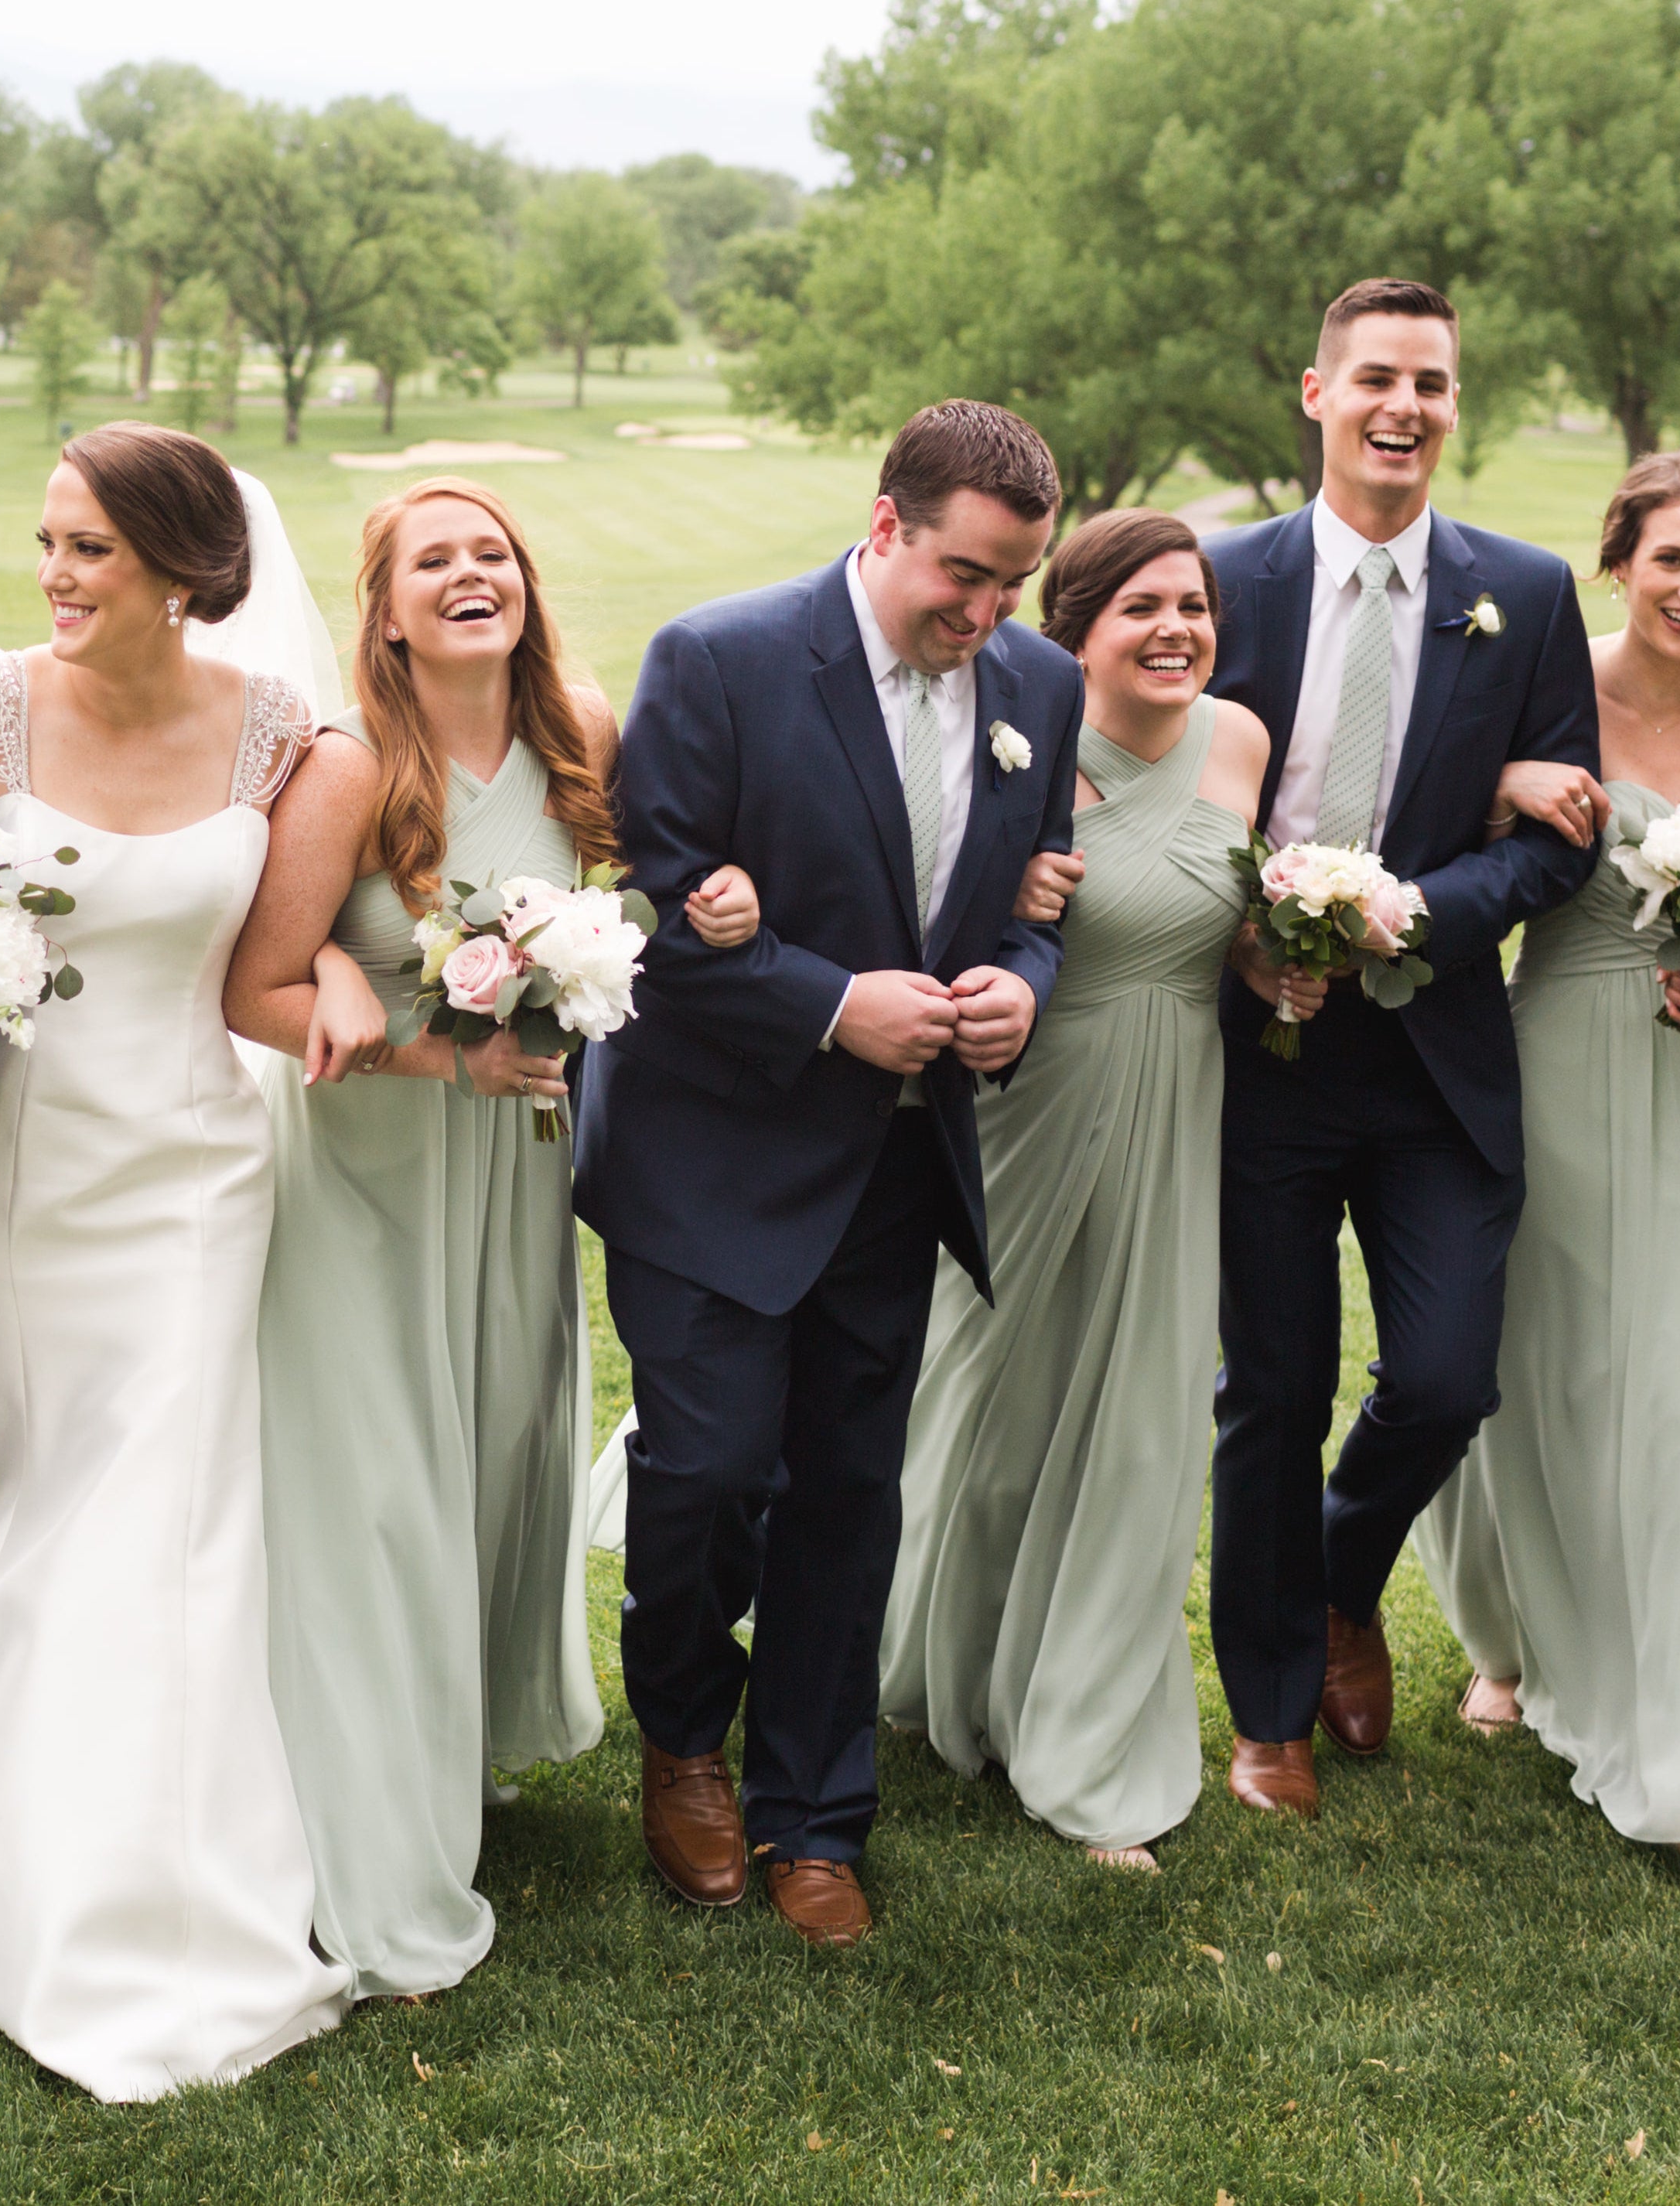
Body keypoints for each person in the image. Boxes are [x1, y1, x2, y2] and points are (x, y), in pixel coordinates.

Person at [0, 424, 352, 2098]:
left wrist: (354, 999)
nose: (54, 577)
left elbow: (275, 967)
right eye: (47, 543)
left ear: (186, 567)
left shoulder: (283, 737)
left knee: (153, 1506)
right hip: (21, 1161)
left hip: (193, 1168)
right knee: (11, 1452)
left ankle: (117, 1890)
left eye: (89, 550)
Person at [575, 398, 1075, 1947]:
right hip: (708, 1152)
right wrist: (827, 1002)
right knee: (710, 1468)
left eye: (1014, 583)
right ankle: (680, 1742)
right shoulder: (717, 660)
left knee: (848, 1496)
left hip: (896, 1163)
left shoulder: (1037, 688)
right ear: (884, 527)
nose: (986, 614)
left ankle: (811, 1814)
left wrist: (1020, 988)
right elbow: (646, 924)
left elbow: (1029, 905)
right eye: (965, 575)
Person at [1199, 278, 1603, 1819]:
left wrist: (1418, 909)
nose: (1403, 407)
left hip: (1435, 1053)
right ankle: (1269, 1713)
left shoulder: (1525, 589)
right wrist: (1247, 924)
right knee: (1272, 1388)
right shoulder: (1217, 578)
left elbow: (1559, 841)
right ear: (1316, 393)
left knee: (1444, 1377)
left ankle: (1340, 1578)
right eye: (1375, 377)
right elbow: (1148, 789)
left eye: (1430, 383)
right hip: (1259, 1055)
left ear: (1452, 403)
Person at [223, 476, 616, 1999]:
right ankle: (364, 1833)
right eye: (432, 560)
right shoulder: (345, 769)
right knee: (376, 1493)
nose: (472, 573)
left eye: (493, 551)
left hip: (516, 1174)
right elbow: (252, 989)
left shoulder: (579, 726)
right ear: (381, 610)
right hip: (373, 1174)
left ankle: (442, 1749)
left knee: (489, 1455)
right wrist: (416, 1038)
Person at [1414, 452, 1680, 1895]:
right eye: (1670, 563)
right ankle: (1514, 1638)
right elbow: (1444, 849)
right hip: (1550, 1056)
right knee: (1535, 1366)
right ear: (1618, 561)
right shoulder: (1543, 686)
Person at [876, 507, 1272, 1872]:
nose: (1176, 630)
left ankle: (1091, 1735)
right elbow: (935, 903)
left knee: (1141, 1418)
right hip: (1031, 1106)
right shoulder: (1015, 740)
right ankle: (931, 1656)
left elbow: (1224, 911)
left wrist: (1287, 955)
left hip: (1179, 1108)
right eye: (1142, 608)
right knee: (981, 1398)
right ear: (1078, 627)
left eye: (1194, 607)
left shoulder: (1239, 740)